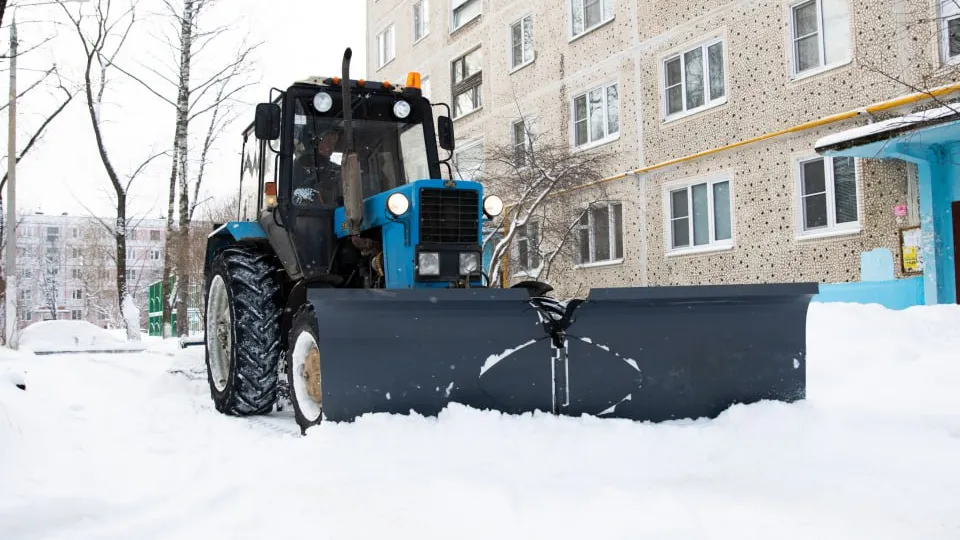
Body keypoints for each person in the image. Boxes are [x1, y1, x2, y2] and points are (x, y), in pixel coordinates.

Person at [293, 129, 342, 206]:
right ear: (317, 142)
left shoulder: (335, 168)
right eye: (328, 142)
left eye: (333, 144)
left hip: (331, 209)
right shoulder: (302, 162)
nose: (331, 147)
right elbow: (298, 191)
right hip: (306, 210)